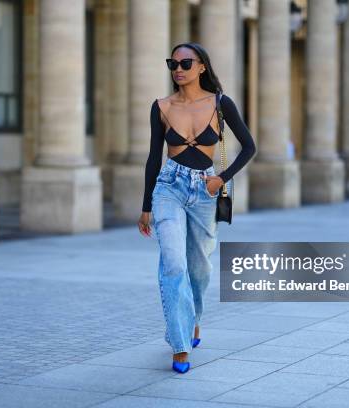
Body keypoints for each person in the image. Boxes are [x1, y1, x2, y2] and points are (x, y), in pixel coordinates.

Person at [137, 42, 256, 373]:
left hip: (205, 189)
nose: (178, 69)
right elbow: (152, 159)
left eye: (185, 63)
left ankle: (194, 321)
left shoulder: (220, 103)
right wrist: (146, 205)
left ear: (202, 66)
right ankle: (180, 345)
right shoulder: (161, 106)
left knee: (200, 269)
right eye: (172, 63)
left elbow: (249, 147)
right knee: (174, 264)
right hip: (169, 188)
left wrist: (222, 178)